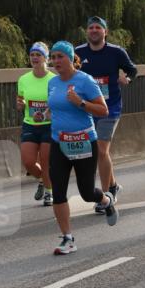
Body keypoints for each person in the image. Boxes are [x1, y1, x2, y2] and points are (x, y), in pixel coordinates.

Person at [47, 41, 118, 255]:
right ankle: (68, 238)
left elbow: (103, 110)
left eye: (61, 56)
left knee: (87, 193)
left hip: (84, 142)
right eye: (54, 56)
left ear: (71, 59)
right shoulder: (53, 83)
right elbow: (55, 106)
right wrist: (50, 115)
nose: (56, 61)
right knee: (58, 191)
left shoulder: (84, 81)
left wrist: (80, 103)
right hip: (59, 142)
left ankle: (106, 200)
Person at [75, 15, 137, 213]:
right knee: (98, 151)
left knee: (101, 150)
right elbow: (69, 72)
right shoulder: (78, 52)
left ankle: (105, 195)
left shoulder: (116, 52)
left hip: (110, 108)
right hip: (86, 108)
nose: (94, 30)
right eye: (91, 28)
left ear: (105, 32)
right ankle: (113, 185)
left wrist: (126, 77)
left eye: (98, 28)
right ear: (87, 32)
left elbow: (132, 69)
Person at [16, 42, 54, 206]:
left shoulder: (54, 79)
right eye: (32, 55)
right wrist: (20, 104)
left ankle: (49, 192)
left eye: (38, 55)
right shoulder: (23, 79)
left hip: (49, 125)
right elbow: (20, 99)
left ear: (46, 58)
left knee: (46, 162)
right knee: (29, 162)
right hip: (30, 124)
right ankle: (42, 180)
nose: (34, 58)